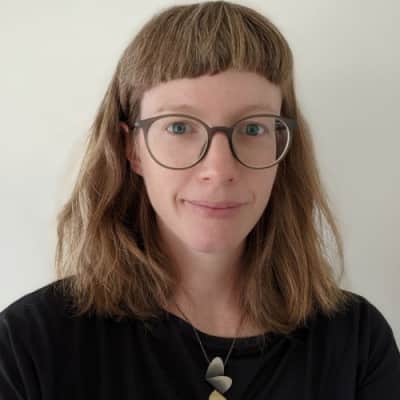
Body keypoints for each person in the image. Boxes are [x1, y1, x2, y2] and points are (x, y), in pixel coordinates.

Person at [1, 1, 399, 399]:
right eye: (179, 127)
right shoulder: (28, 347)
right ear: (131, 148)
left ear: (283, 147)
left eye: (253, 128)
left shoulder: (357, 343)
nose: (219, 169)